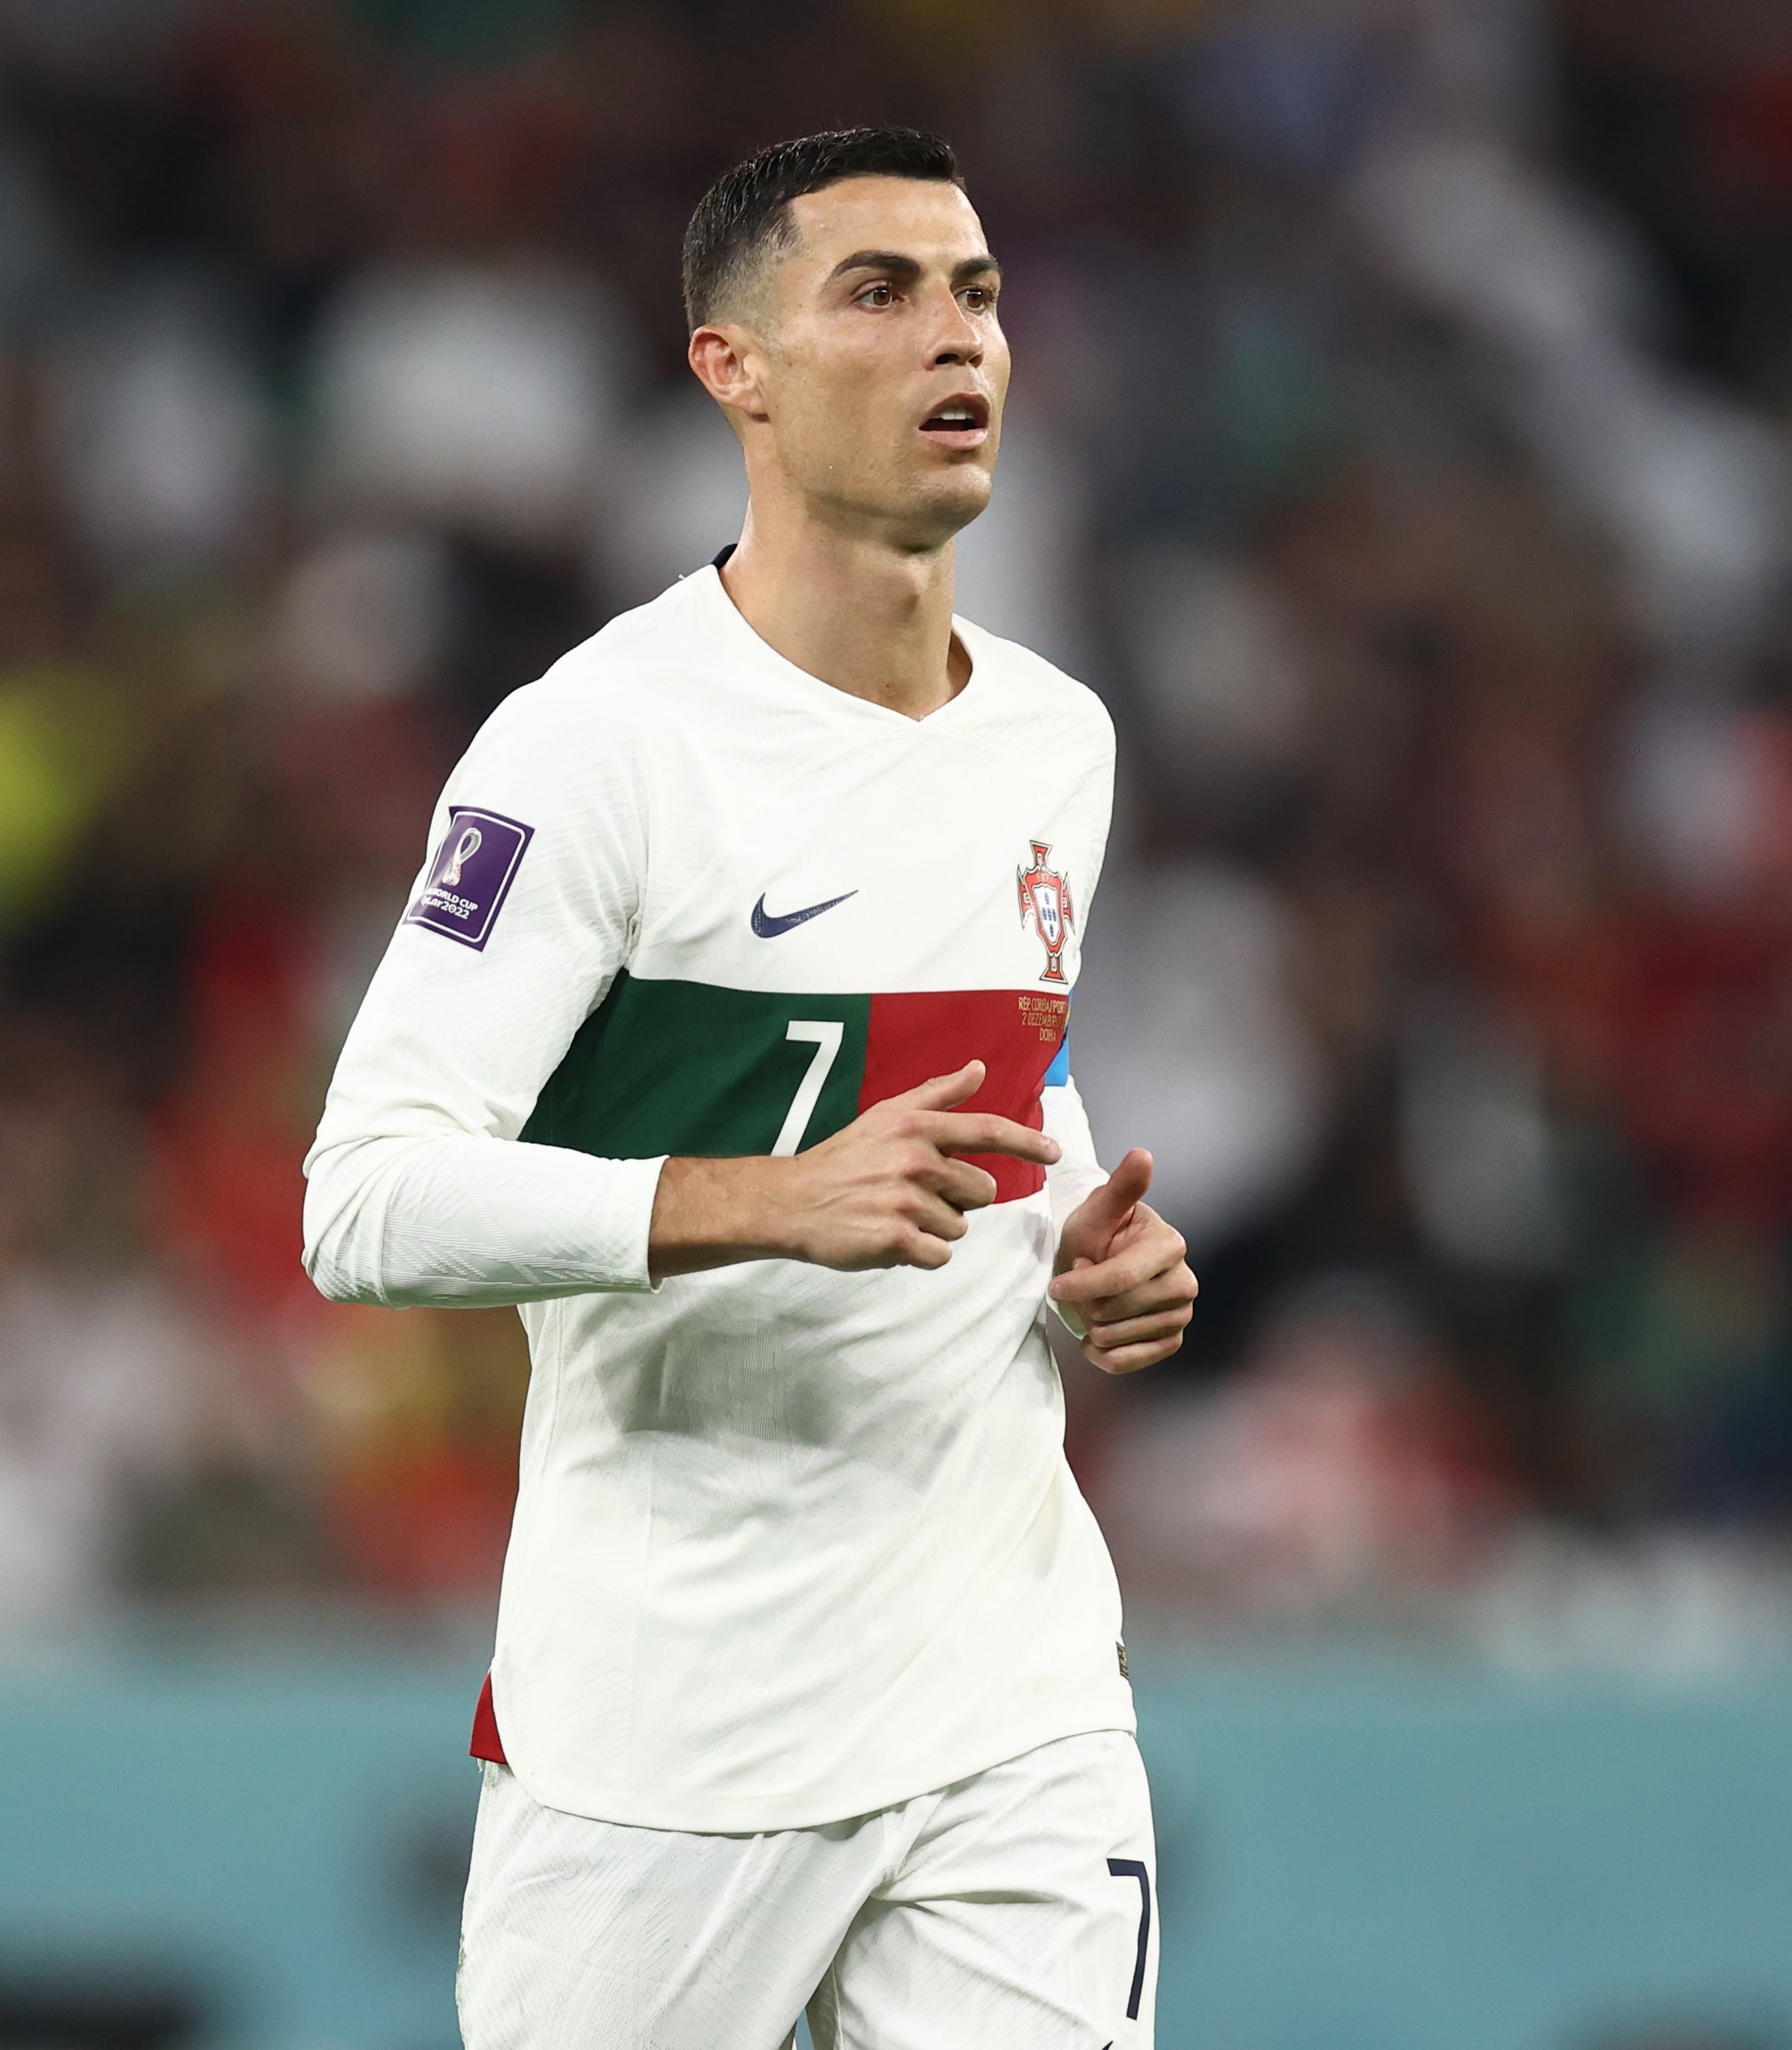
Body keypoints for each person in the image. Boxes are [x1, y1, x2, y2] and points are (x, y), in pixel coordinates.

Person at [304, 126, 1197, 2049]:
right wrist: (753, 1194)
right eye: (876, 294)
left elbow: (997, 1103)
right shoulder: (594, 752)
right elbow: (364, 1198)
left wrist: (1075, 1251)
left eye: (975, 293)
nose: (953, 339)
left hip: (1006, 1686)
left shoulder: (1056, 738)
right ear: (737, 372)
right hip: (668, 1731)